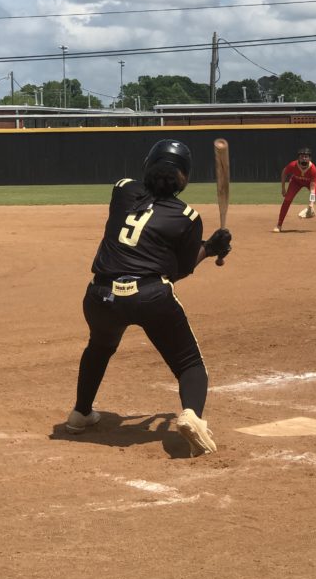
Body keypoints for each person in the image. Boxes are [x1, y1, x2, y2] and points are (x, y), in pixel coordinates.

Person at [66, 139, 233, 457]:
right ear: (184, 177)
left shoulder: (123, 189)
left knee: (100, 347)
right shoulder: (188, 216)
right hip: (150, 295)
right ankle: (193, 416)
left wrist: (210, 246)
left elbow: (139, 207)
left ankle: (80, 413)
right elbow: (179, 271)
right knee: (188, 364)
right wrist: (210, 248)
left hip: (101, 295)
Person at [273, 146, 316, 232]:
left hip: (310, 183)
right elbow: (284, 172)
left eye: (306, 156)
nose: (304, 159)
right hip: (296, 182)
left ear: (310, 158)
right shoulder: (293, 165)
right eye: (301, 156)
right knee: (287, 199)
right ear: (298, 158)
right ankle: (279, 225)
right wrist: (283, 188)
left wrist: (311, 204)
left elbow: (312, 188)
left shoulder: (313, 169)